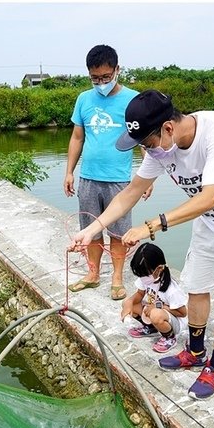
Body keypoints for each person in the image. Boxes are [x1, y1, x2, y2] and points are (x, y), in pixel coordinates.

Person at [70, 89, 214, 401]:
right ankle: (194, 351)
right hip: (209, 223)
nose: (146, 152)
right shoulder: (159, 151)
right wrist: (92, 229)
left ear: (167, 128)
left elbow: (207, 198)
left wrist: (151, 225)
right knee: (196, 286)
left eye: (147, 145)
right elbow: (130, 192)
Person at [63, 44, 146, 301]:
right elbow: (77, 137)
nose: (101, 83)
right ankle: (92, 274)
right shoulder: (84, 99)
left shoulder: (133, 99)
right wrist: (69, 172)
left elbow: (143, 138)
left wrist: (146, 177)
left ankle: (118, 279)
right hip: (89, 177)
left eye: (106, 77)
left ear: (117, 70)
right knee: (91, 229)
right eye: (95, 78)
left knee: (119, 232)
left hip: (119, 180)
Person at [122, 243, 187, 354]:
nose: (142, 278)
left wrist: (158, 306)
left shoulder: (171, 290)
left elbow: (182, 313)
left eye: (145, 274)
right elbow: (139, 294)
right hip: (154, 310)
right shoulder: (146, 279)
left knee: (156, 314)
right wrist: (128, 303)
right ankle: (151, 328)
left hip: (174, 321)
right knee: (130, 302)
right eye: (140, 275)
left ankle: (169, 338)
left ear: (159, 269)